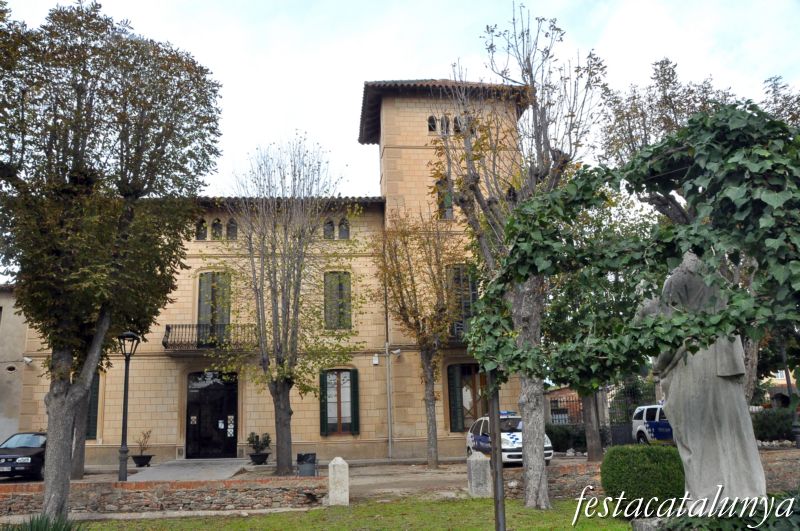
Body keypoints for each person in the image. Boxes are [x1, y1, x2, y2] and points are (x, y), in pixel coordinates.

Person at [654, 252, 765, 502]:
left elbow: (669, 336)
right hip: (725, 363)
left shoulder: (676, 281)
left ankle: (707, 499)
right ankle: (745, 495)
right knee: (732, 431)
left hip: (693, 363)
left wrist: (659, 366)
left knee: (696, 435)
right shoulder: (719, 280)